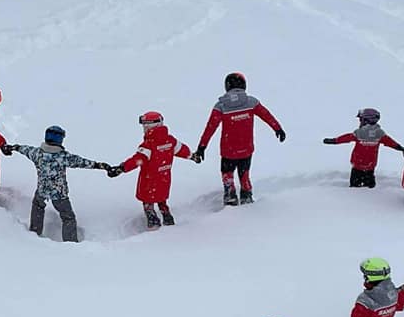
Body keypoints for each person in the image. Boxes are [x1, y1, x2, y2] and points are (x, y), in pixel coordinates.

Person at [3, 126, 111, 242]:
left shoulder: (37, 153)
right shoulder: (63, 157)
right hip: (59, 195)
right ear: (60, 140)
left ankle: (35, 232)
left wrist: (14, 147)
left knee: (37, 207)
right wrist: (99, 165)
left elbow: (24, 149)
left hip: (42, 191)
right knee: (68, 217)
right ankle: (70, 242)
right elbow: (82, 162)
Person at [191, 72, 285, 206]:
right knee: (244, 172)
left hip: (228, 150)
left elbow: (210, 128)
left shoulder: (221, 106)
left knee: (227, 173)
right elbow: (267, 115)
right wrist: (278, 129)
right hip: (246, 148)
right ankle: (246, 193)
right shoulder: (251, 102)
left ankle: (230, 195)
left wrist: (202, 147)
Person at [108, 111, 194, 229]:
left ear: (150, 126)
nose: (144, 128)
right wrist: (192, 156)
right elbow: (182, 150)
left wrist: (121, 168)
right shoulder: (170, 141)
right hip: (164, 178)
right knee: (162, 199)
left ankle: (153, 222)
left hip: (149, 180)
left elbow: (137, 160)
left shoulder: (148, 145)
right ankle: (167, 218)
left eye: (145, 126)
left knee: (148, 202)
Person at [322, 108, 404, 188]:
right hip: (370, 167)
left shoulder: (360, 133)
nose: (360, 121)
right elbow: (391, 143)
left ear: (366, 120)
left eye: (361, 119)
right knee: (370, 188)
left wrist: (334, 141)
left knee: (355, 188)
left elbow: (347, 138)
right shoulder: (379, 133)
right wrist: (401, 148)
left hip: (357, 166)